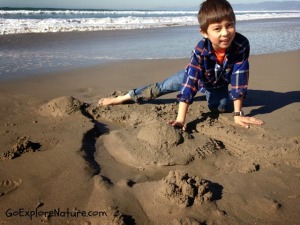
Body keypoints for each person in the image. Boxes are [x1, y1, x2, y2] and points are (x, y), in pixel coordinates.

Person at [99, 0, 264, 129]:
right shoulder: (200, 51)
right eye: (217, 28)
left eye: (230, 25)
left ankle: (213, 94)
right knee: (162, 87)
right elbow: (189, 82)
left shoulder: (241, 44)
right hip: (194, 76)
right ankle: (123, 98)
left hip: (217, 84)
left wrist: (237, 113)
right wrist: (180, 119)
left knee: (219, 108)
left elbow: (239, 78)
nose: (225, 33)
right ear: (204, 32)